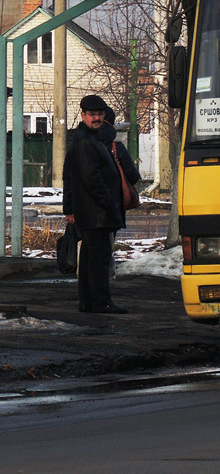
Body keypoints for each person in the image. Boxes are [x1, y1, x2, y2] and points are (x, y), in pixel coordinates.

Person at [62, 95, 129, 314]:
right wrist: (107, 202)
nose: (97, 118)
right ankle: (100, 301)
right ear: (83, 115)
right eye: (92, 115)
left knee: (91, 257)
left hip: (93, 211)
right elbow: (91, 177)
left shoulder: (89, 137)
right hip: (96, 212)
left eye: (100, 115)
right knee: (98, 259)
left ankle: (89, 302)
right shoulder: (85, 141)